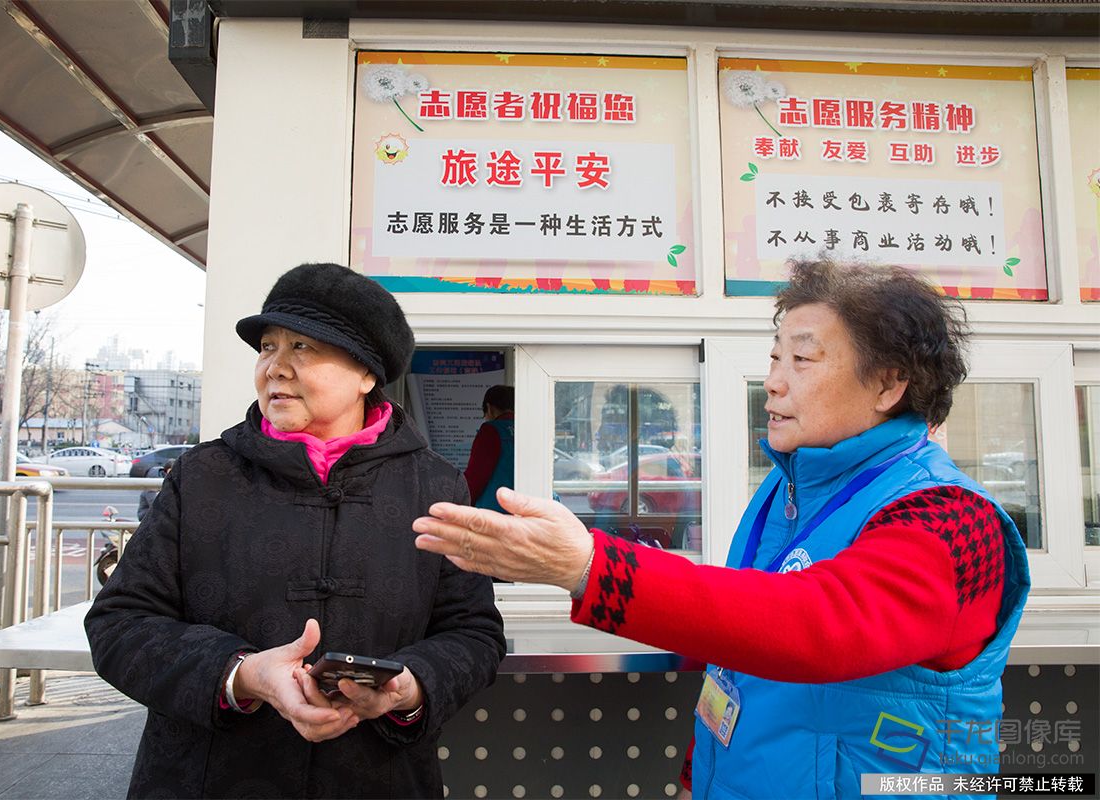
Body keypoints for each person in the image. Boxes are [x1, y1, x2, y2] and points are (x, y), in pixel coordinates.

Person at [413, 260, 1030, 799]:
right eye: (774, 357)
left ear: (889, 384)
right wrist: (695, 775)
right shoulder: (785, 489)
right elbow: (739, 655)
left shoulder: (953, 520)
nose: (776, 381)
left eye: (804, 360)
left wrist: (589, 567)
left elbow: (812, 627)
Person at [86, 262, 506, 799]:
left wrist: (407, 687)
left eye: (303, 348)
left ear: (367, 374)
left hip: (378, 779)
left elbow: (474, 633)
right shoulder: (203, 476)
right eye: (267, 347)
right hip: (207, 779)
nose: (275, 368)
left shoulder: (434, 484)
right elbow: (120, 624)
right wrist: (241, 675)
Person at [463, 384, 514, 512]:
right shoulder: (530, 428)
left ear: (489, 408)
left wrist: (462, 502)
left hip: (494, 511)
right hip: (526, 510)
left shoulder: (491, 430)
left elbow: (476, 477)